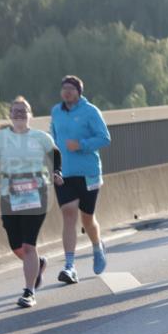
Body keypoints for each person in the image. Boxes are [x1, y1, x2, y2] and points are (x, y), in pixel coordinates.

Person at [0, 97, 62, 308]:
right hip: (10, 194)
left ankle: (29, 291)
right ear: (10, 115)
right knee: (16, 245)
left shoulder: (41, 137)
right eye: (15, 110)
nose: (19, 113)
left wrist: (56, 172)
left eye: (23, 110)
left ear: (30, 115)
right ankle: (39, 263)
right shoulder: (1, 138)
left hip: (37, 193)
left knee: (28, 245)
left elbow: (55, 153)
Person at [50, 75, 111, 283]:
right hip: (64, 173)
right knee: (68, 214)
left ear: (79, 91)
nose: (67, 92)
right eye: (64, 88)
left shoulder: (90, 111)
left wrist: (82, 144)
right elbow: (54, 140)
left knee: (87, 218)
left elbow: (105, 138)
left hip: (88, 172)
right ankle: (69, 266)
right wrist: (53, 166)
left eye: (71, 88)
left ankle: (97, 246)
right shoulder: (56, 112)